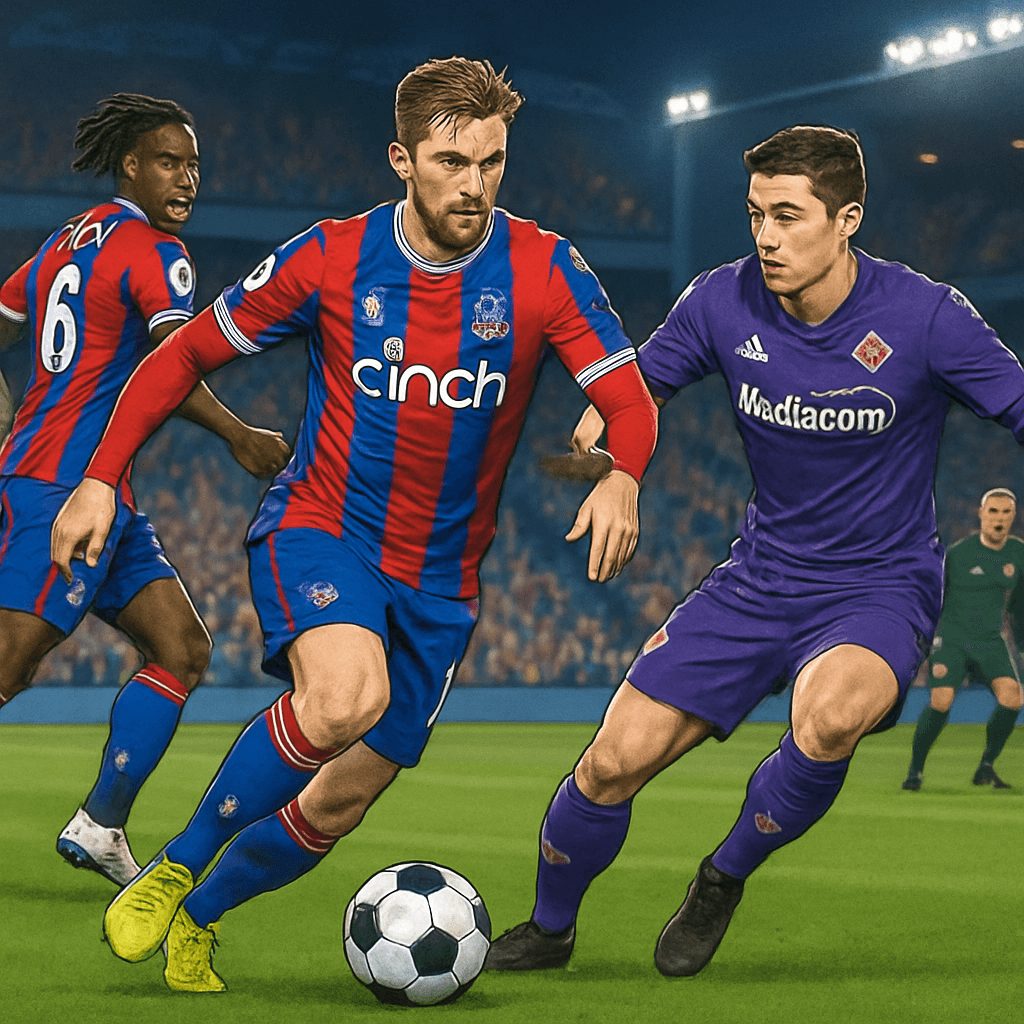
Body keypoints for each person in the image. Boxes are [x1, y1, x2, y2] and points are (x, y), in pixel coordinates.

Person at [49, 58, 658, 993]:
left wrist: (624, 471)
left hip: (443, 582)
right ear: (401, 161)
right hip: (324, 527)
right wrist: (98, 478)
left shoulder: (543, 267)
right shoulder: (332, 257)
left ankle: (199, 920)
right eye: (451, 162)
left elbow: (629, 398)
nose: (475, 185)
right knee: (342, 700)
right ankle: (173, 866)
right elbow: (183, 356)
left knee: (339, 800)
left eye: (492, 162)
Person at [481, 124, 1024, 978]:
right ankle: (551, 930)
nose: (766, 237)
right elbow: (629, 396)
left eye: (787, 216)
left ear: (846, 220)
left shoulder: (927, 317)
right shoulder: (720, 301)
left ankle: (722, 877)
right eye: (754, 214)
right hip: (759, 578)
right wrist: (614, 462)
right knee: (610, 764)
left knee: (829, 718)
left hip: (880, 587)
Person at [0, 94, 290, 887]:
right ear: (131, 165)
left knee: (182, 648)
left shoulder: (68, 240)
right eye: (169, 162)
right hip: (64, 487)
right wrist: (238, 433)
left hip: (98, 492)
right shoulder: (156, 251)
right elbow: (173, 363)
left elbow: (5, 320)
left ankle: (101, 825)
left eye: (193, 165)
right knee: (8, 667)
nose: (187, 178)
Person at [902, 488, 1024, 791]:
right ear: (981, 514)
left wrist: (1021, 644)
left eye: (1005, 512)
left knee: (1013, 698)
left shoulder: (1018, 553)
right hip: (952, 640)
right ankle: (915, 771)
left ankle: (986, 767)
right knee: (941, 701)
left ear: (1013, 516)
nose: (998, 518)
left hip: (990, 641)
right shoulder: (957, 555)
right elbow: (931, 600)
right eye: (992, 511)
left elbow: (1019, 605)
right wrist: (922, 640)